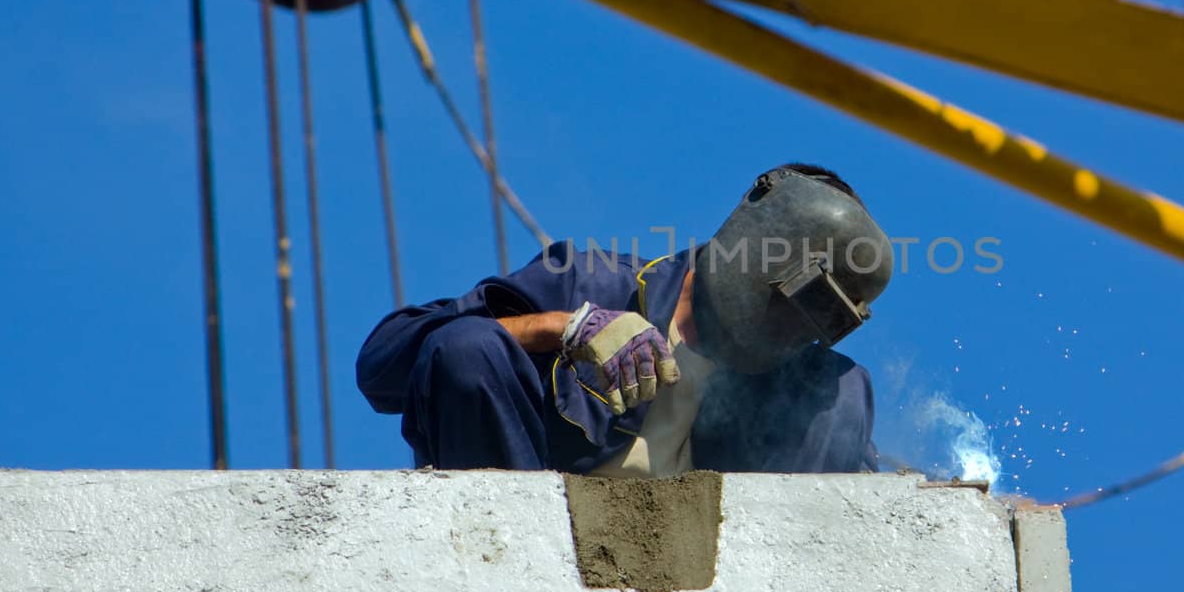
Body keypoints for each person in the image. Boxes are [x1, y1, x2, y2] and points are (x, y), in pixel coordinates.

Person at [355, 164, 893, 475]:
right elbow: (383, 368)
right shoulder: (588, 281)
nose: (793, 332)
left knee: (840, 395)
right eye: (794, 301)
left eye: (816, 323)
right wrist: (559, 329)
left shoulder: (812, 391)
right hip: (523, 551)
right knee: (469, 349)